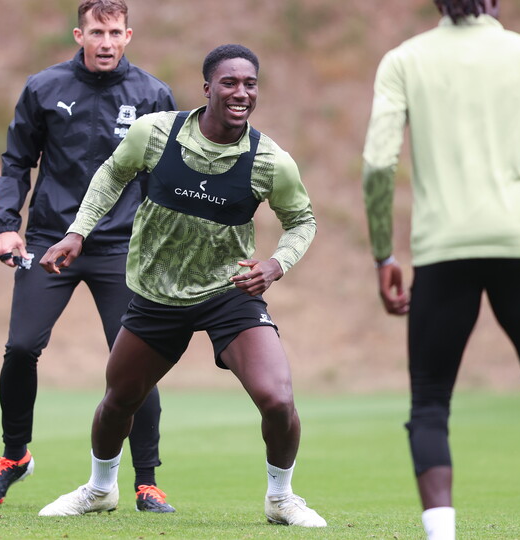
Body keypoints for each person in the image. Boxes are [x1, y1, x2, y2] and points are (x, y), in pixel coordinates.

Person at [36, 44, 326, 527]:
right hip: (157, 294)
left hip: (228, 293)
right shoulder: (154, 133)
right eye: (229, 82)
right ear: (207, 88)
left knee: (278, 399)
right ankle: (100, 489)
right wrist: (77, 232)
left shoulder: (270, 161)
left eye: (250, 84)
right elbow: (111, 176)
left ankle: (281, 499)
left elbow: (303, 221)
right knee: (119, 400)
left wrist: (277, 264)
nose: (241, 92)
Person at [361, 1, 520, 538]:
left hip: (442, 251)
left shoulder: (404, 60)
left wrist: (384, 254)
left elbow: (378, 165)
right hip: (519, 244)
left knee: (430, 402)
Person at [0, 0, 177, 512]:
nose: (105, 42)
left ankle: (146, 481)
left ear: (128, 35)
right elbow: (17, 161)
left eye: (114, 33)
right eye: (96, 32)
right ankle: (14, 456)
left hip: (121, 246)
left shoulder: (153, 95)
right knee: (21, 347)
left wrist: (163, 245)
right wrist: (6, 226)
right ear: (79, 35)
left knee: (135, 361)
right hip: (50, 239)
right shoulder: (44, 88)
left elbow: (166, 177)